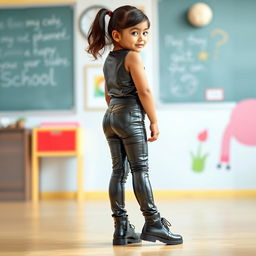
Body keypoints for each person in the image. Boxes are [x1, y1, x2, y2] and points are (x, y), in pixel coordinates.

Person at [87, 5, 183, 246]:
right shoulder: (132, 57)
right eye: (135, 32)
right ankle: (153, 224)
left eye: (146, 32)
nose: (142, 38)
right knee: (140, 170)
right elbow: (145, 90)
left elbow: (108, 95)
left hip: (110, 117)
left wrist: (117, 111)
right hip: (130, 116)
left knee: (119, 172)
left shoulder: (110, 59)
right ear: (117, 35)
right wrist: (154, 120)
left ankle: (121, 228)